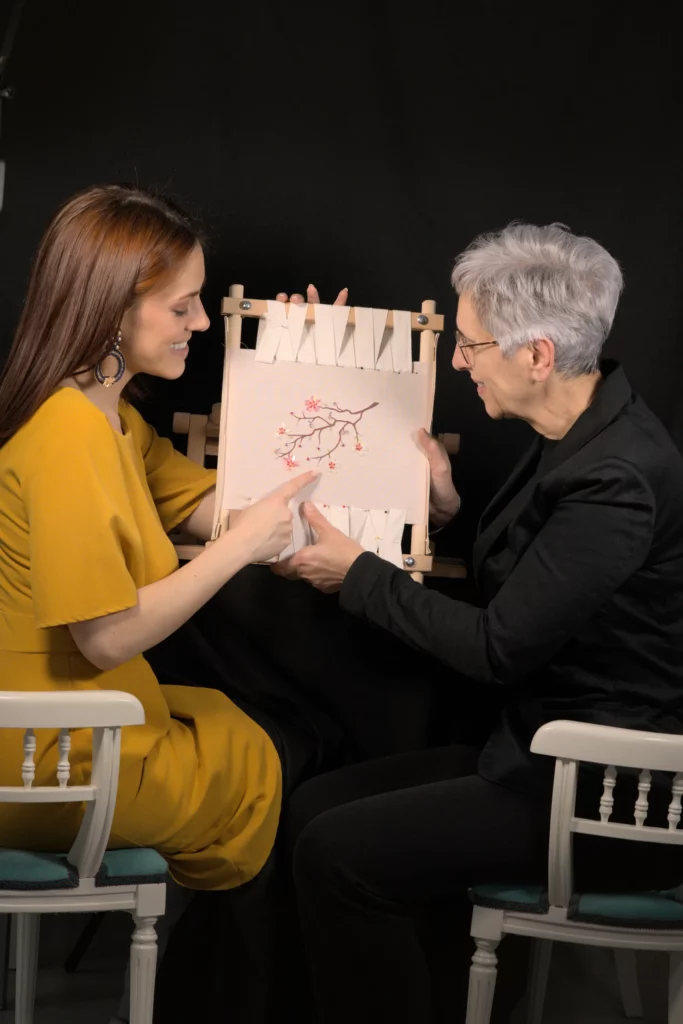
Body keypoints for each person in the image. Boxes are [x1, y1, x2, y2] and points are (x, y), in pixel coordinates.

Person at [275, 223, 683, 1023]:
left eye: (469, 345)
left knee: (337, 854)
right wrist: (449, 509)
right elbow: (544, 582)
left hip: (599, 790)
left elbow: (497, 647)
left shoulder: (617, 478)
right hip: (535, 753)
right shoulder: (584, 421)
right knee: (309, 811)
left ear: (535, 355)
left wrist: (356, 572)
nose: (457, 362)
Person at [0, 184, 359, 1022]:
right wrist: (237, 551)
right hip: (53, 758)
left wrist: (306, 375)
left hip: (78, 725)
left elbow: (223, 502)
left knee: (287, 731)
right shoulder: (68, 435)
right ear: (112, 308)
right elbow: (104, 637)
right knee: (278, 753)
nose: (202, 324)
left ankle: (231, 986)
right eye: (184, 306)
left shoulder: (108, 416)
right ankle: (242, 995)